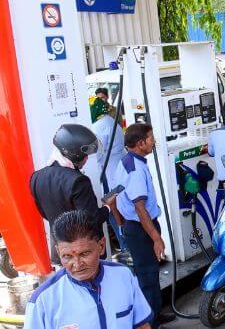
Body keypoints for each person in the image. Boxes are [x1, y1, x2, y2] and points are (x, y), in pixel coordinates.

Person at [24, 210, 153, 329]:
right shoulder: (42, 301)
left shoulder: (123, 276)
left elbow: (142, 325)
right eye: (67, 256)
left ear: (101, 246)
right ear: (58, 252)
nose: (77, 264)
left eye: (84, 254)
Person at [114, 123, 173, 326]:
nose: (154, 141)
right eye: (151, 138)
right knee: (147, 276)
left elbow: (115, 197)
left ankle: (155, 313)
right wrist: (156, 238)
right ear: (141, 143)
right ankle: (150, 322)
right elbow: (140, 208)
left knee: (150, 273)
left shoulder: (127, 161)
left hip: (136, 227)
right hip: (141, 228)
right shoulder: (136, 170)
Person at [30, 124, 115, 260]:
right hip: (84, 255)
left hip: (62, 252)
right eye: (84, 155)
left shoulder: (36, 177)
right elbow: (92, 220)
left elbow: (45, 214)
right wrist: (107, 207)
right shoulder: (78, 181)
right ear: (73, 154)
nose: (87, 159)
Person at [90, 96, 129, 261]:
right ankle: (127, 243)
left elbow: (97, 155)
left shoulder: (97, 127)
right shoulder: (113, 122)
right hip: (120, 171)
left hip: (107, 175)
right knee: (124, 209)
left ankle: (124, 245)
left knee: (113, 212)